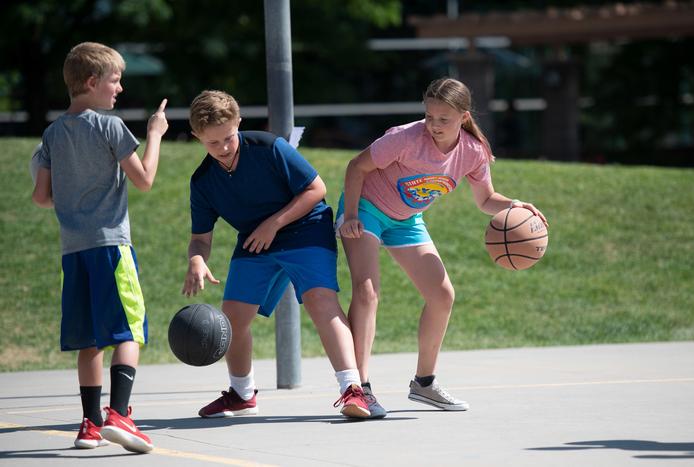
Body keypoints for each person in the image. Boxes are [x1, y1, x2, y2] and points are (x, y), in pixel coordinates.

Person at [336, 77, 548, 417]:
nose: (433, 125)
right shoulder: (405, 138)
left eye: (443, 119)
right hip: (366, 209)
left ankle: (424, 383)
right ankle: (359, 390)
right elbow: (356, 167)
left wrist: (515, 205)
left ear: (463, 117)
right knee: (366, 291)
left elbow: (486, 200)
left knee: (442, 295)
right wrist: (349, 216)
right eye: (429, 116)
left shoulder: (473, 151)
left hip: (406, 219)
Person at [181, 90, 369, 419]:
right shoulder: (203, 181)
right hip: (256, 241)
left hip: (306, 227)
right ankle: (242, 394)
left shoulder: (269, 147)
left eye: (228, 138)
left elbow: (317, 189)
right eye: (213, 143)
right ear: (197, 137)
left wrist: (274, 223)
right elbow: (200, 238)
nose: (224, 148)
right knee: (232, 319)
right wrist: (197, 260)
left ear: (238, 123)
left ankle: (353, 390)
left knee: (320, 299)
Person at [31, 42, 168, 453]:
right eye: (115, 80)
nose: (120, 88)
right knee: (129, 330)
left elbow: (41, 196)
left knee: (89, 340)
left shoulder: (53, 133)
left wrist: (71, 194)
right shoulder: (109, 127)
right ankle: (121, 415)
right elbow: (144, 179)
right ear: (92, 82)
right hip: (111, 246)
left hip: (73, 251)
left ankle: (90, 425)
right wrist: (155, 135)